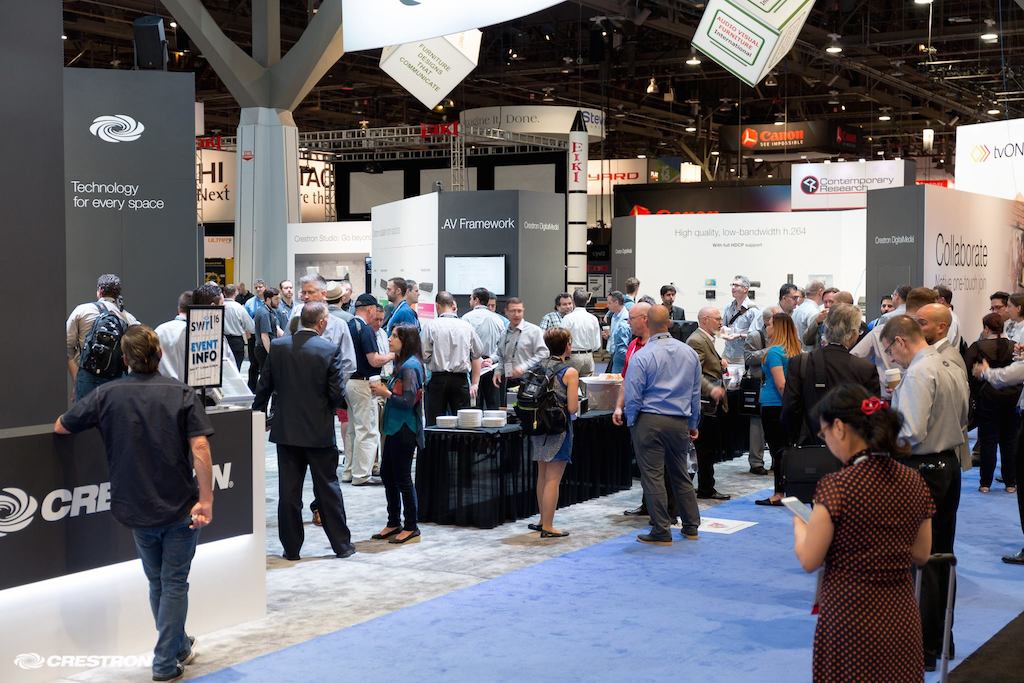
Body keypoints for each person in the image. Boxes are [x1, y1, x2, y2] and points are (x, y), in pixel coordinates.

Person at [54, 325, 214, 682]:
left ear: (124, 359)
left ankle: (178, 647)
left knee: (158, 582)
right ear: (159, 354)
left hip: (136, 506)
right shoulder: (182, 393)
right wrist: (206, 499)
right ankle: (164, 662)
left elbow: (63, 426)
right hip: (179, 505)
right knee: (173, 583)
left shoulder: (107, 395)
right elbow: (200, 447)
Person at [792, 384, 934, 683]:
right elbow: (922, 554)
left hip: (850, 617)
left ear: (839, 428)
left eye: (824, 433)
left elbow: (809, 559)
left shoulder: (838, 486)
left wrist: (800, 527)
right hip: (900, 616)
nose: (827, 441)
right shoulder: (913, 481)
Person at [881, 314, 968, 670]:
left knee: (922, 560)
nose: (891, 359)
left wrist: (882, 440)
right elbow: (964, 416)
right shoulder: (950, 364)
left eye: (890, 351)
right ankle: (941, 640)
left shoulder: (918, 372)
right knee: (942, 556)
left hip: (922, 470)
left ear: (900, 341)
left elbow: (911, 432)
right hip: (948, 466)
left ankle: (924, 648)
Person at [253, 302, 356, 561]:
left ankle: (291, 549)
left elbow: (264, 385)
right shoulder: (328, 349)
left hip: (286, 431)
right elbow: (336, 393)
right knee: (328, 489)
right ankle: (342, 545)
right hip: (319, 431)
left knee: (288, 493)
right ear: (321, 323)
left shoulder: (279, 347)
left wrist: (258, 413)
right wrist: (324, 411)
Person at [624, 305, 703, 545]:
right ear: (669, 323)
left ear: (647, 323)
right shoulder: (689, 353)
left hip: (649, 420)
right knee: (680, 473)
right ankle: (691, 525)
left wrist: (632, 421)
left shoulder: (643, 355)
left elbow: (633, 395)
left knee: (653, 476)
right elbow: (695, 394)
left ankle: (661, 529)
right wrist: (693, 423)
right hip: (679, 421)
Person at [783, 303, 880, 446]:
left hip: (809, 444)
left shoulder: (800, 362)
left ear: (826, 328)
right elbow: (873, 414)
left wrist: (795, 438)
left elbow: (790, 407)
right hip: (851, 446)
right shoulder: (865, 368)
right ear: (853, 334)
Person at [370, 324, 426, 545]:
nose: (390, 339)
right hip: (395, 427)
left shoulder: (410, 366)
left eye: (394, 336)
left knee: (402, 477)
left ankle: (411, 526)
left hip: (405, 428)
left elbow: (408, 401)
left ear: (406, 341)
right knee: (387, 473)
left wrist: (385, 393)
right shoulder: (403, 363)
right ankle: (394, 521)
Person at [972, 346, 1024, 564]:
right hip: (1012, 409)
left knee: (993, 445)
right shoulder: (1011, 345)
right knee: (1007, 446)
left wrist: (985, 371)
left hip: (995, 403)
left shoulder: (979, 349)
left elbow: (1006, 376)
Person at [526, 327, 579, 538]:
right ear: (567, 345)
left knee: (543, 475)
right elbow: (572, 408)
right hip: (558, 428)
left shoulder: (539, 366)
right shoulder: (569, 372)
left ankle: (542, 520)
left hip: (539, 426)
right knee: (553, 479)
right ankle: (548, 526)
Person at [343, 294, 396, 486]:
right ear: (370, 309)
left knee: (353, 430)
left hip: (349, 382)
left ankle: (349, 471)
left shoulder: (348, 326)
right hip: (363, 383)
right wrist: (392, 355)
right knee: (367, 430)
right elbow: (374, 360)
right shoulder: (365, 330)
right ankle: (362, 475)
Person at [965, 313, 1018, 494]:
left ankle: (985, 484)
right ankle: (1010, 483)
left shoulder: (977, 347)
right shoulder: (1014, 346)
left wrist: (976, 392)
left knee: (988, 442)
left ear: (986, 328)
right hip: (1011, 400)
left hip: (986, 400)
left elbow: (968, 372)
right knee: (1009, 442)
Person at [852, 287, 938, 396]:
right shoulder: (927, 333)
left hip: (893, 394)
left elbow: (853, 358)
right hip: (911, 394)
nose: (892, 359)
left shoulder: (880, 329)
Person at [66, 273, 140, 399]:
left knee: (86, 412)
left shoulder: (82, 311)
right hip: (116, 381)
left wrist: (77, 380)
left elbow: (67, 348)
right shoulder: (129, 319)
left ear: (100, 291)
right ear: (117, 294)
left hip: (87, 378)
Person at [754, 313, 801, 506]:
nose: (767, 328)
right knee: (787, 449)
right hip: (788, 406)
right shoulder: (796, 351)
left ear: (778, 328)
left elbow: (781, 384)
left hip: (774, 405)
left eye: (770, 324)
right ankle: (789, 490)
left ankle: (779, 493)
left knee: (778, 450)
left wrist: (788, 405)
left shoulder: (774, 352)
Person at [686, 307, 732, 501]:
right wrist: (711, 388)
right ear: (705, 320)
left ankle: (706, 487)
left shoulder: (706, 339)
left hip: (710, 404)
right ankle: (701, 488)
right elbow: (693, 372)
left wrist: (720, 364)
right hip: (704, 404)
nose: (721, 322)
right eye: (717, 319)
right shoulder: (696, 340)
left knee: (708, 449)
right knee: (703, 449)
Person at [421, 291, 484, 425]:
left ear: (437, 306)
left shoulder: (431, 326)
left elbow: (424, 356)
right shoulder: (467, 326)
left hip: (438, 379)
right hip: (460, 380)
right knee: (463, 423)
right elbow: (478, 352)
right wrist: (475, 382)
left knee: (434, 423)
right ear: (452, 305)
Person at [744, 306, 781, 475]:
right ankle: (756, 462)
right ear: (767, 321)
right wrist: (771, 351)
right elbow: (748, 358)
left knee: (775, 427)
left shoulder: (783, 337)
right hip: (759, 384)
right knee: (757, 426)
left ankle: (776, 460)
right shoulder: (755, 336)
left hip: (775, 384)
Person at [463, 287, 507, 409]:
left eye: (471, 298)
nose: (469, 301)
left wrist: (478, 360)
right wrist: (491, 359)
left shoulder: (466, 318)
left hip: (473, 366)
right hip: (492, 366)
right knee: (493, 406)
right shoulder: (499, 320)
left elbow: (464, 344)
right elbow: (503, 346)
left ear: (476, 300)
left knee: (474, 406)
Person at [492, 297, 548, 392]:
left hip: (529, 379)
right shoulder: (504, 333)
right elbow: (501, 356)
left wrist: (523, 367)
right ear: (506, 312)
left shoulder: (534, 331)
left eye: (519, 311)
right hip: (508, 379)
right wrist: (498, 371)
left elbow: (544, 353)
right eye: (513, 311)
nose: (516, 314)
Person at [560, 288, 602, 378]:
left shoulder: (568, 318)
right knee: (586, 385)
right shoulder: (593, 319)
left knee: (570, 383)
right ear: (587, 301)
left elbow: (562, 340)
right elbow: (597, 344)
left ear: (573, 301)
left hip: (572, 356)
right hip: (588, 356)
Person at [722, 275, 759, 362]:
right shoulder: (728, 307)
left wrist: (739, 335)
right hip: (727, 354)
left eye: (736, 285)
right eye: (732, 285)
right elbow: (723, 327)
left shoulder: (753, 310)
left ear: (745, 289)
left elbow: (757, 336)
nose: (733, 288)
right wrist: (722, 332)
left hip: (742, 357)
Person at [221, 284, 254, 371]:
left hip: (221, 340)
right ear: (236, 293)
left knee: (222, 370)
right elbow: (251, 327)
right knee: (236, 370)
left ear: (224, 293)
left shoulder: (219, 307)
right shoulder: (239, 308)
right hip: (236, 342)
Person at [253, 287, 282, 375]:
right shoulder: (264, 313)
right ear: (268, 299)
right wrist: (271, 354)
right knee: (266, 375)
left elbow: (276, 329)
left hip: (265, 348)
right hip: (264, 349)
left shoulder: (270, 310)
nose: (279, 301)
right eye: (276, 299)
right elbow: (264, 336)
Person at [792, 280, 825, 352]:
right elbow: (816, 339)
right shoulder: (814, 312)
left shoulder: (798, 309)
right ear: (820, 292)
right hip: (809, 354)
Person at [605, 290, 630, 373]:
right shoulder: (614, 316)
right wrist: (608, 335)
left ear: (616, 302)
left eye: (609, 303)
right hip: (614, 354)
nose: (607, 305)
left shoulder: (625, 319)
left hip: (621, 357)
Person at [934, 284, 962, 349]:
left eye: (933, 298)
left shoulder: (951, 319)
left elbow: (946, 345)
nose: (931, 301)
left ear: (942, 300)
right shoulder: (947, 317)